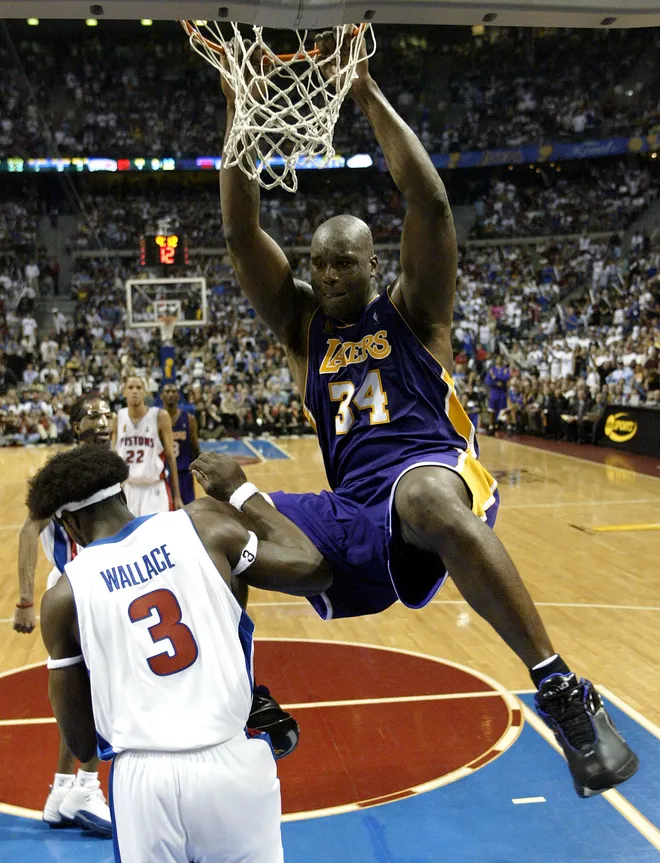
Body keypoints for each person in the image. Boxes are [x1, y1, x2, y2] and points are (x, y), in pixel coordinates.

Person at [219, 32, 638, 797]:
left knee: (419, 494)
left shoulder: (415, 311)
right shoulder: (301, 327)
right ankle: (241, 695)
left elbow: (430, 201)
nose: (328, 271)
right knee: (207, 525)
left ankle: (562, 691)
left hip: (438, 480)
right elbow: (242, 234)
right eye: (317, 261)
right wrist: (242, 123)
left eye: (344, 259)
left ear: (374, 264)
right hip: (354, 518)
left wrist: (365, 91)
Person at [33, 448, 330, 863]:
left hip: (143, 780)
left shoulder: (63, 598)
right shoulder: (203, 523)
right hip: (230, 761)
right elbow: (312, 568)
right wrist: (243, 492)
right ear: (123, 495)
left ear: (71, 525)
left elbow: (81, 742)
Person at [14, 392, 114, 835]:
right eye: (92, 415)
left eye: (106, 413)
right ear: (75, 427)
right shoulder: (64, 474)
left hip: (85, 586)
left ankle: (60, 790)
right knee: (98, 689)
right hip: (75, 588)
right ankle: (88, 787)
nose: (102, 419)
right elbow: (28, 530)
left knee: (77, 690)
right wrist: (23, 599)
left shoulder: (106, 468)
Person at [112, 374, 184, 515]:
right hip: (128, 488)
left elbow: (170, 458)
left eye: (139, 387)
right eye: (130, 387)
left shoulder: (160, 416)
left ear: (145, 392)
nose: (135, 391)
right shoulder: (118, 418)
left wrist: (177, 496)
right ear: (124, 392)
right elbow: (113, 459)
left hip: (154, 489)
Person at [160, 383, 200, 505]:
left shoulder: (189, 419)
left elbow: (195, 447)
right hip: (163, 473)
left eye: (173, 391)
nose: (170, 394)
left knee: (188, 511)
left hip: (184, 473)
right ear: (161, 396)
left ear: (178, 396)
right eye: (167, 391)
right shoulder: (156, 420)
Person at [486, 355, 511, 434]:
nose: (499, 360)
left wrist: (495, 377)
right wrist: (496, 383)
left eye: (500, 358)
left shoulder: (505, 370)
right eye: (497, 358)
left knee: (505, 411)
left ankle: (508, 427)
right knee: (491, 411)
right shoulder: (492, 369)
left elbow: (506, 377)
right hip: (494, 393)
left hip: (502, 393)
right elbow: (488, 381)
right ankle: (491, 427)